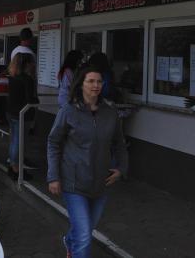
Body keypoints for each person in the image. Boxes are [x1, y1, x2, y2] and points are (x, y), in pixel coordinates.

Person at [47, 67, 128, 258]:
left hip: (101, 182)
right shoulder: (68, 111)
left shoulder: (110, 113)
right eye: (90, 81)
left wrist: (121, 169)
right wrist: (53, 176)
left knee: (85, 229)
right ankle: (75, 244)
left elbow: (119, 144)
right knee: (84, 236)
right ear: (81, 84)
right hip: (74, 182)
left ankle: (69, 241)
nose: (96, 85)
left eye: (99, 81)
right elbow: (53, 142)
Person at [6, 52, 38, 181]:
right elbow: (30, 99)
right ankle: (16, 169)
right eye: (32, 62)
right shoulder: (27, 79)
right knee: (19, 142)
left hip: (10, 112)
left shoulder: (13, 77)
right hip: (22, 114)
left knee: (14, 140)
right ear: (27, 64)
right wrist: (37, 100)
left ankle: (12, 165)